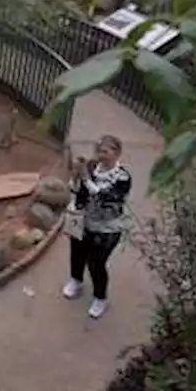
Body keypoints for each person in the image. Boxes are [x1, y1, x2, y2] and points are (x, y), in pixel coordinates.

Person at [62, 134, 132, 319]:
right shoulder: (92, 167)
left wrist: (85, 179)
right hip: (84, 221)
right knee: (77, 253)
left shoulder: (122, 177)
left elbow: (104, 197)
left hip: (107, 228)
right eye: (99, 151)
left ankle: (100, 297)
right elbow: (77, 191)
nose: (101, 155)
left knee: (96, 263)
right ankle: (76, 279)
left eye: (106, 151)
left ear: (117, 153)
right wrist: (76, 176)